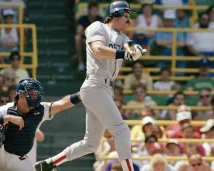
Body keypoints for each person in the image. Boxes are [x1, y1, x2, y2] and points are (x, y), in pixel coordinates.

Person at [34, 1, 146, 171]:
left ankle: (50, 163)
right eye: (126, 15)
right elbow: (98, 50)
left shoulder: (122, 37)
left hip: (105, 89)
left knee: (91, 144)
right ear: (115, 13)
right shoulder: (98, 27)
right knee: (122, 130)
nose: (128, 20)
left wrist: (135, 49)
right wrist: (126, 54)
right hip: (95, 84)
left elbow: (129, 45)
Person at [0, 78, 81, 171]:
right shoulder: (7, 110)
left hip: (19, 158)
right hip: (0, 155)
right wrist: (7, 118)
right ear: (21, 95)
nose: (35, 97)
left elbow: (62, 105)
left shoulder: (41, 109)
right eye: (32, 93)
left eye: (37, 93)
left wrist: (80, 95)